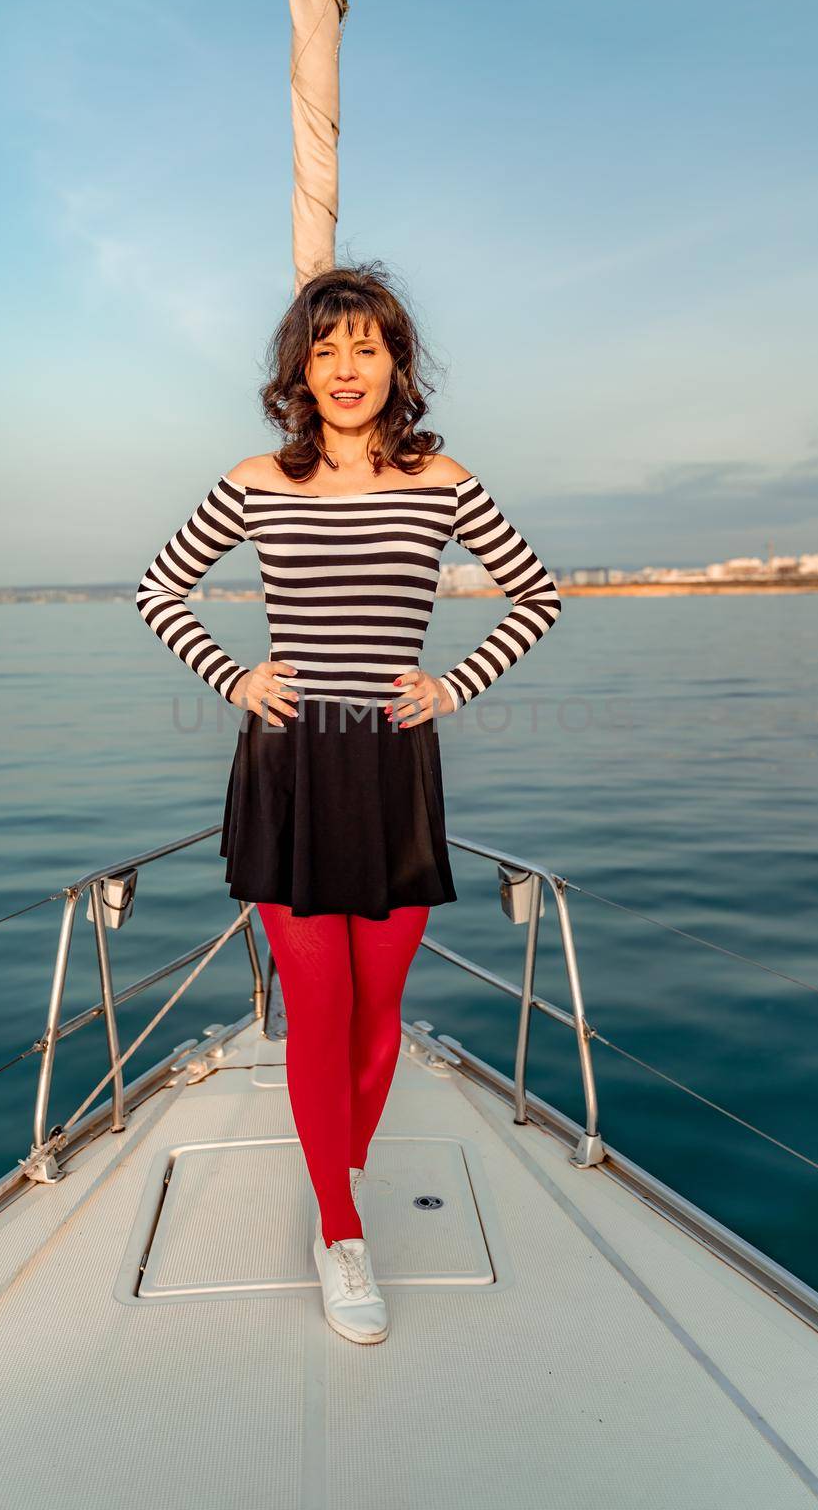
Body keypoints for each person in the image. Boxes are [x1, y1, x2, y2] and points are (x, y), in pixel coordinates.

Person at [135, 261, 561, 1344]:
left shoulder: (442, 480)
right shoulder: (256, 480)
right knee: (316, 1014)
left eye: (363, 346)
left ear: (395, 361)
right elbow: (156, 589)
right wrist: (235, 676)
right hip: (288, 767)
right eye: (323, 350)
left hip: (390, 766)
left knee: (378, 1013)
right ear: (298, 369)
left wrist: (452, 683)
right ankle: (339, 1231)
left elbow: (538, 593)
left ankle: (342, 1166)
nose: (343, 368)